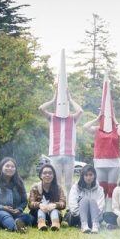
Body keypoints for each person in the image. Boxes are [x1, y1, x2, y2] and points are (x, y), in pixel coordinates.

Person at [39, 51, 83, 194]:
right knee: (56, 182)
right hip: (55, 154)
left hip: (69, 154)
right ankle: (58, 203)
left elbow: (80, 110)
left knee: (69, 182)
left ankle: (71, 205)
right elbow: (41, 108)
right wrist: (53, 99)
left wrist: (70, 99)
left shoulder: (72, 118)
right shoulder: (52, 117)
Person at [83, 76, 120, 211]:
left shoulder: (116, 129)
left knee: (112, 188)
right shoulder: (97, 129)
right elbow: (85, 127)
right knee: (101, 188)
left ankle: (110, 212)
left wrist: (115, 119)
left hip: (114, 162)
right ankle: (100, 211)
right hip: (100, 162)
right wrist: (97, 117)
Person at [0, 157, 32, 233]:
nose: (10, 168)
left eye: (12, 166)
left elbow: (24, 201)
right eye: (7, 166)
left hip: (13, 212)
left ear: (15, 169)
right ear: (1, 167)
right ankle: (16, 228)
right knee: (5, 215)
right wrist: (2, 207)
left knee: (28, 217)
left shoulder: (19, 182)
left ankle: (17, 222)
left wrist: (19, 209)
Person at [28, 163, 67, 231]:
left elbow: (63, 203)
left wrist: (55, 205)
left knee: (54, 210)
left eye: (50, 173)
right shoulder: (35, 187)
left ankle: (55, 224)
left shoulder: (58, 188)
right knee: (40, 210)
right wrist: (39, 205)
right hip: (38, 214)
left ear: (53, 175)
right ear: (40, 175)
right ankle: (41, 224)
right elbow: (30, 204)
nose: (47, 175)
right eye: (45, 173)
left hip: (54, 214)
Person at [68, 165, 105, 234]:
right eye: (86, 175)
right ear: (82, 176)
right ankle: (84, 225)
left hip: (94, 217)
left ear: (94, 176)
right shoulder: (75, 187)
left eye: (91, 175)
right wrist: (82, 215)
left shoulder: (99, 189)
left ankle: (95, 225)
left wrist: (92, 215)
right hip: (78, 217)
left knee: (92, 200)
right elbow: (72, 204)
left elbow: (101, 206)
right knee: (85, 200)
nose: (88, 177)